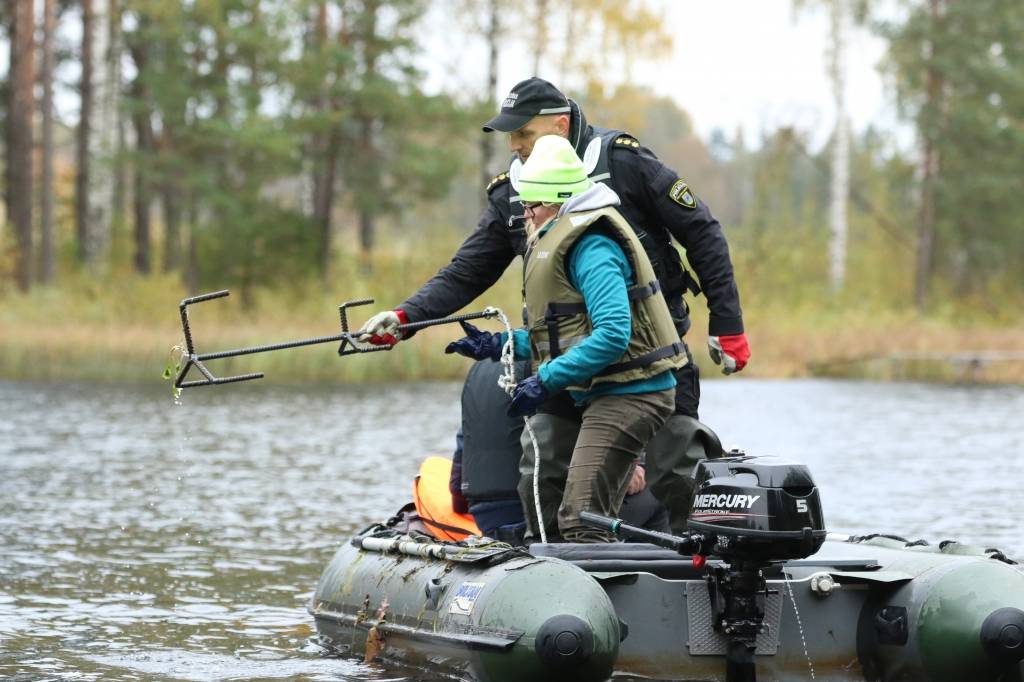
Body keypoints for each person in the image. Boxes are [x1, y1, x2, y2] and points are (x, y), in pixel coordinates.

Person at [359, 77, 749, 535]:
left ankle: (702, 558)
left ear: (560, 125)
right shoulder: (515, 189)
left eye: (524, 133)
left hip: (645, 358)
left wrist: (727, 322)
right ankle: (548, 562)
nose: (514, 146)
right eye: (511, 136)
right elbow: (468, 270)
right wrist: (405, 318)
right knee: (542, 462)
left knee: (675, 461)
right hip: (565, 358)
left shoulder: (623, 162)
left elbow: (701, 230)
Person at [446, 135, 682, 542]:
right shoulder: (559, 235)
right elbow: (564, 335)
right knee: (546, 499)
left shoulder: (593, 247)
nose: (527, 215)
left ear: (558, 201)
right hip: (602, 390)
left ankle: (603, 578)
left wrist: (546, 379)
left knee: (582, 516)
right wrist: (499, 345)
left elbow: (613, 335)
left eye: (532, 205)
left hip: (634, 394)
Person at [448, 359, 672, 543]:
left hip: (486, 519)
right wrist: (630, 469)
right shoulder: (555, 366)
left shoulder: (478, 370)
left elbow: (457, 490)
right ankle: (656, 572)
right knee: (661, 495)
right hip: (536, 516)